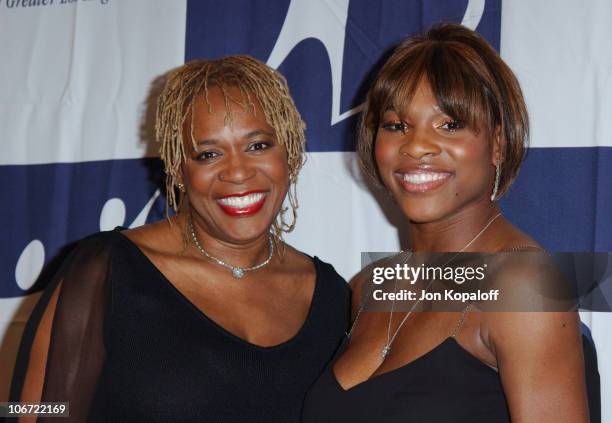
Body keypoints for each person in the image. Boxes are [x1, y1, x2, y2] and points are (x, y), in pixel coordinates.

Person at [10, 56, 350, 422]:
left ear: (290, 152)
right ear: (178, 168)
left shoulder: (331, 295)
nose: (237, 171)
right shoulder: (107, 270)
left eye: (258, 145)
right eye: (208, 154)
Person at [302, 24, 589, 422]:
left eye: (449, 124)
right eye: (396, 125)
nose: (416, 145)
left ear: (499, 143)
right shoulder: (371, 286)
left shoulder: (525, 286)